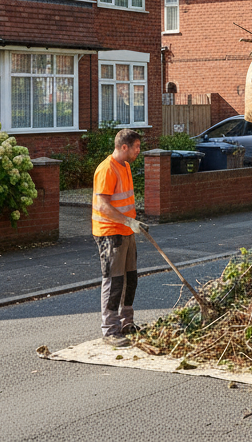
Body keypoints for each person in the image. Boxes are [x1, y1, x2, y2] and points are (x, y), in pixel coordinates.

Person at [92, 128, 148, 346]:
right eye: (136, 148)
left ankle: (126, 323)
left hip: (126, 231)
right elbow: (103, 206)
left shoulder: (125, 166)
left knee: (130, 279)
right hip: (110, 234)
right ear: (124, 147)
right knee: (114, 281)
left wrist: (134, 223)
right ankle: (110, 329)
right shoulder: (107, 169)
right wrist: (128, 222)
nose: (138, 152)